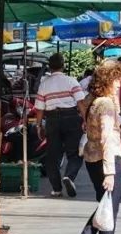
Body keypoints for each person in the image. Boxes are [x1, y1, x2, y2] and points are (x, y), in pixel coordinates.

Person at [66, 59, 121, 234]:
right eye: (116, 80)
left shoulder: (93, 101)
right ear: (107, 81)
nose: (120, 85)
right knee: (110, 209)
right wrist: (110, 171)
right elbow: (107, 138)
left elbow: (82, 107)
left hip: (91, 159)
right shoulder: (106, 105)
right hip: (107, 159)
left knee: (105, 206)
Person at [35, 52, 86, 198]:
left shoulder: (44, 84)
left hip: (52, 120)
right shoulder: (72, 81)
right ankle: (69, 176)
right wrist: (86, 120)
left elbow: (39, 108)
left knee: (52, 156)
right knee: (74, 153)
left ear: (50, 67)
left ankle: (56, 188)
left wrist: (38, 125)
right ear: (63, 66)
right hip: (71, 118)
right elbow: (81, 103)